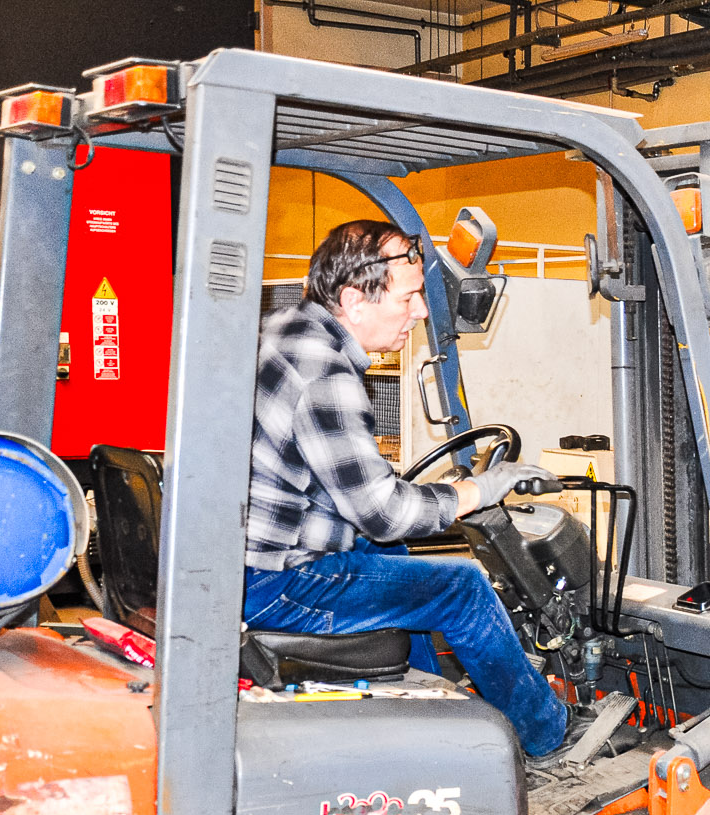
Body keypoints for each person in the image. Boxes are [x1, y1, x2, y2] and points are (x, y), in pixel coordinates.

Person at [241, 218, 572, 757]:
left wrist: (429, 499)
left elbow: (347, 491)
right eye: (411, 296)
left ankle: (429, 716)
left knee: (401, 564)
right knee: (461, 588)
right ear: (353, 299)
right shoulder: (325, 374)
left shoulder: (283, 330)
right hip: (276, 585)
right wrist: (481, 490)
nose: (419, 312)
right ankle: (548, 734)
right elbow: (384, 511)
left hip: (250, 561)